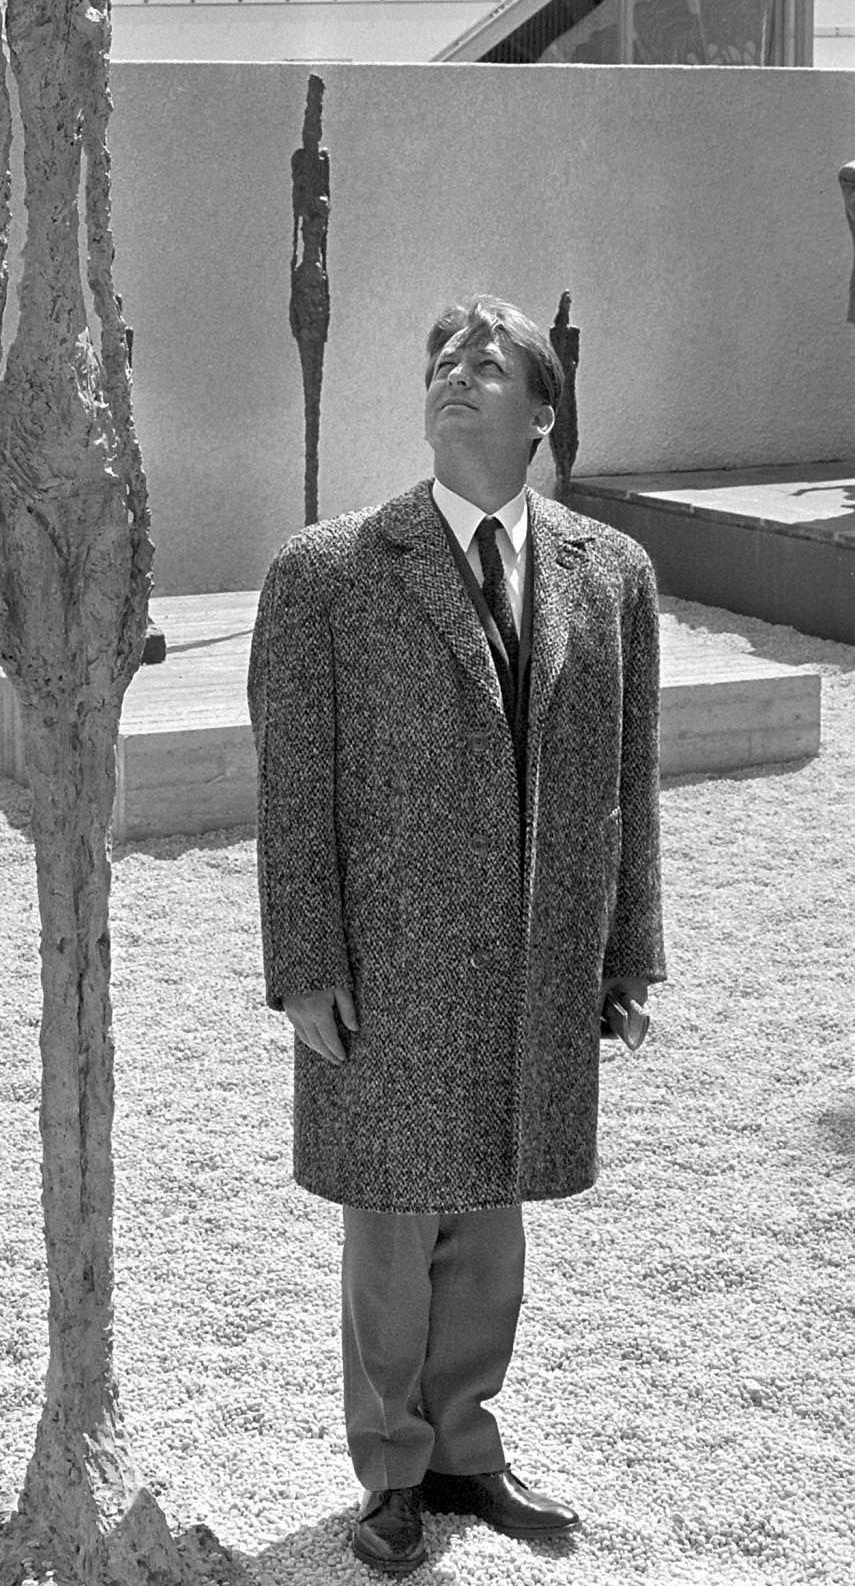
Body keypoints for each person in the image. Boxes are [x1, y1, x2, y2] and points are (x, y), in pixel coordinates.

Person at [247, 295, 665, 1574]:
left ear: (542, 411)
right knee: (391, 1210)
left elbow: (622, 778)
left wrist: (622, 951)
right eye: (438, 360)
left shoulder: (611, 575)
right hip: (392, 952)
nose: (453, 376)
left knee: (490, 1206)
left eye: (485, 362)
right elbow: (288, 781)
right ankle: (388, 1470)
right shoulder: (327, 572)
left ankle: (467, 1446)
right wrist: (301, 960)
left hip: (535, 952)